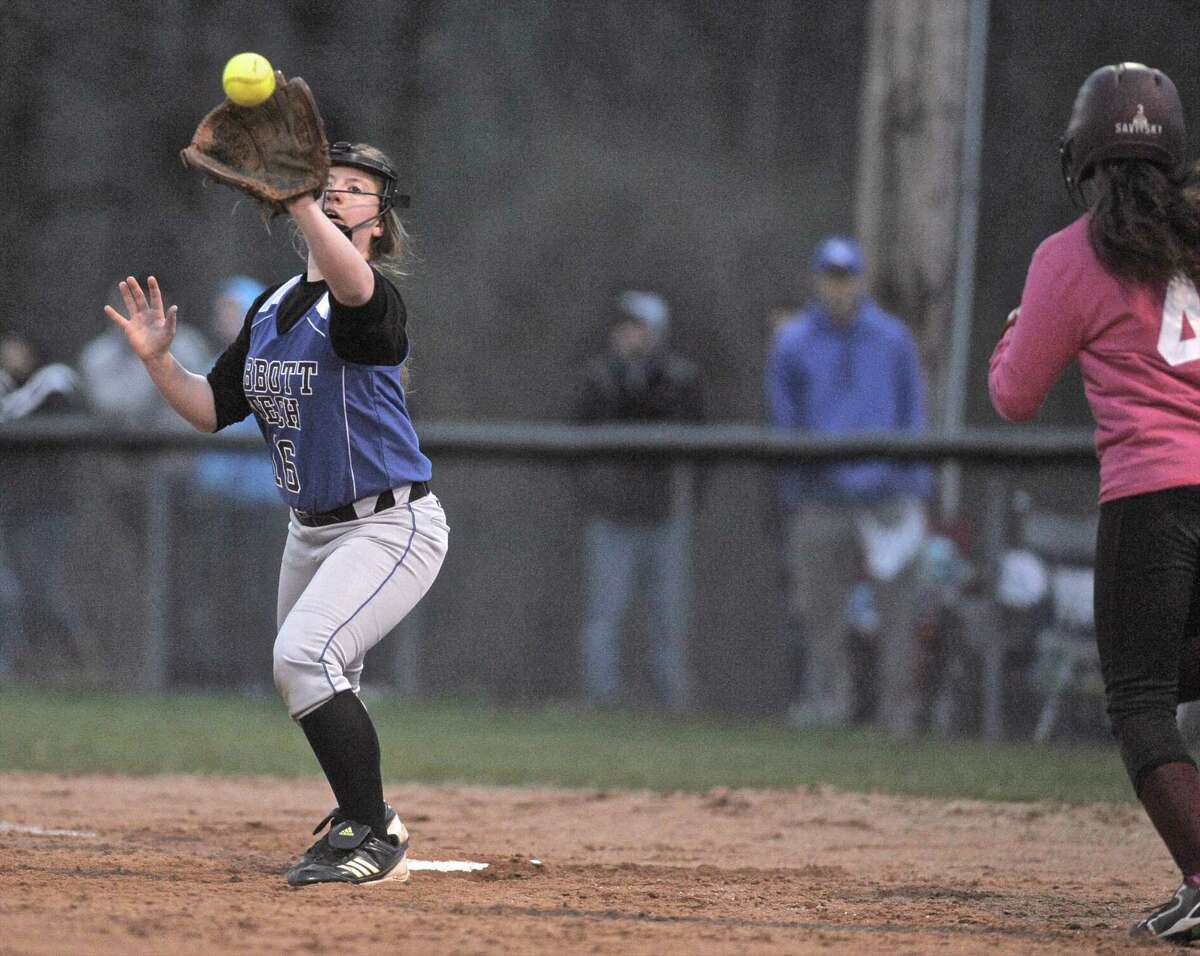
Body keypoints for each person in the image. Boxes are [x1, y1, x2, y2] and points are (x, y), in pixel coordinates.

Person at [104, 140, 448, 887]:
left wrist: (298, 197)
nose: (335, 195)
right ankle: (365, 816)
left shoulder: (370, 300)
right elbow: (210, 409)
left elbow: (352, 288)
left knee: (302, 657)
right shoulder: (269, 308)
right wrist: (161, 362)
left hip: (388, 524)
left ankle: (374, 836)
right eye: (328, 185)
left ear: (380, 223)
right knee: (308, 677)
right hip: (311, 530)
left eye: (355, 190)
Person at [989, 62, 1200, 941]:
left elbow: (1014, 396)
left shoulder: (1068, 256)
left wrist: (1013, 336)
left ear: (1080, 156)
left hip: (1151, 496)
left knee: (1139, 699)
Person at [765, 236, 932, 737]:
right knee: (819, 614)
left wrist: (915, 487)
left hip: (888, 493)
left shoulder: (893, 339)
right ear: (818, 280)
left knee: (899, 615)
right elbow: (785, 423)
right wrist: (795, 490)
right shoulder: (792, 342)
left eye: (847, 277)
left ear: (860, 280)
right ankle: (828, 707)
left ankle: (897, 717)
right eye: (830, 277)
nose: (839, 287)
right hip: (821, 495)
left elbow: (913, 415)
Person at [573, 290, 704, 712]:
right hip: (612, 517)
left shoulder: (680, 379)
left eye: (639, 327)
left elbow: (696, 445)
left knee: (669, 618)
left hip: (665, 515)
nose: (630, 335)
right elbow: (579, 444)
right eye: (624, 326)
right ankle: (602, 700)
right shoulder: (598, 378)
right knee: (604, 616)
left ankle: (671, 702)